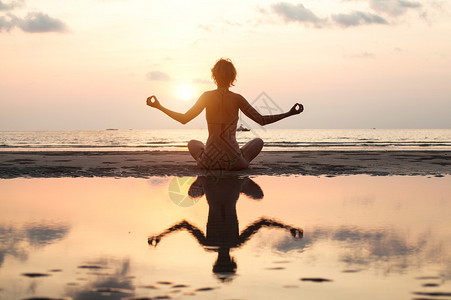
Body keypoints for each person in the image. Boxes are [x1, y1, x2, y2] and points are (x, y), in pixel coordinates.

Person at [146, 58, 304, 170]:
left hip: (208, 162)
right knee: (258, 142)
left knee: (192, 143)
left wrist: (159, 106)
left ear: (214, 76)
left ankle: (209, 155)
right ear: (233, 77)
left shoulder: (207, 96)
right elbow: (261, 120)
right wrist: (289, 113)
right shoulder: (237, 98)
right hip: (234, 162)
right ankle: (239, 155)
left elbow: (184, 119)